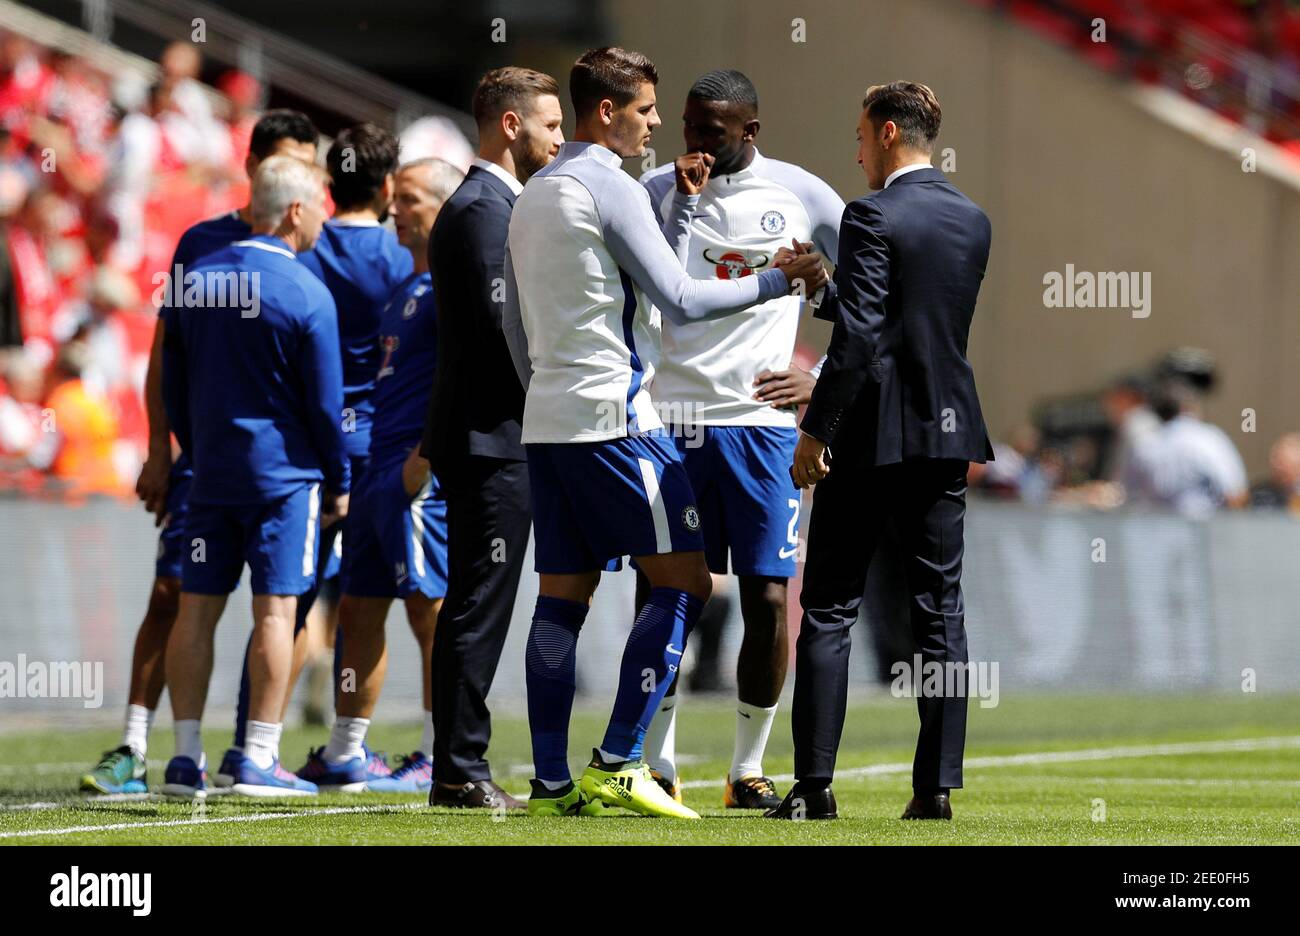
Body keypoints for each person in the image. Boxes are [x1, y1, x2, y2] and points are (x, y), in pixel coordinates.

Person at [502, 46, 828, 819]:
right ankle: (622, 760)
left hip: (549, 421)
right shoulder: (613, 185)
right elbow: (680, 298)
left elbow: (513, 322)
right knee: (682, 582)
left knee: (561, 597)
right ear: (608, 112)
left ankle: (552, 783)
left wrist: (546, 395)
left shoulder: (532, 192)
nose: (659, 127)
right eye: (649, 112)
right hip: (621, 422)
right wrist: (782, 279)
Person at [768, 82, 993, 822]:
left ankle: (813, 788)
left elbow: (865, 337)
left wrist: (816, 429)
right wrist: (824, 283)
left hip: (871, 436)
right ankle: (934, 791)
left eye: (862, 135)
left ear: (890, 132)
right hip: (944, 433)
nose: (857, 149)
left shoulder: (871, 213)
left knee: (830, 607)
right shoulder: (972, 219)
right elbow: (906, 320)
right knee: (940, 614)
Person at [80, 110, 318, 795]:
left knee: (288, 608)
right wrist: (160, 449)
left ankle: (259, 749)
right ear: (253, 168)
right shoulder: (201, 243)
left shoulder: (313, 241)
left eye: (307, 163)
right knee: (173, 592)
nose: (298, 176)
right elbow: (167, 350)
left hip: (292, 471)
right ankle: (135, 746)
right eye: (286, 161)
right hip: (205, 465)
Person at [637, 68, 844, 810]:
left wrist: (819, 382)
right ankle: (652, 761)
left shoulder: (805, 194)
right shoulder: (657, 191)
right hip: (671, 423)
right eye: (688, 128)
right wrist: (683, 205)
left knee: (764, 596)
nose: (693, 144)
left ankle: (746, 770)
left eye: (710, 133)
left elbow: (862, 302)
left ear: (749, 132)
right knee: (666, 593)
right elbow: (641, 290)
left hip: (759, 429)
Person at [210, 123, 412, 788]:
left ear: (329, 186)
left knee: (287, 603)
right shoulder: (405, 252)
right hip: (383, 449)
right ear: (388, 187)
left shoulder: (304, 253)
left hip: (306, 451)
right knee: (391, 603)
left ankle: (253, 740)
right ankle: (363, 746)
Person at [159, 156, 347, 798]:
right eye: (319, 204)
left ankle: (185, 758)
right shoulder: (306, 290)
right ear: (295, 210)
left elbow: (171, 385)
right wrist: (339, 475)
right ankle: (257, 757)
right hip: (284, 480)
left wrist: (195, 445)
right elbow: (325, 406)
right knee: (275, 610)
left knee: (196, 609)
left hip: (209, 473)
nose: (326, 217)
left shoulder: (195, 279)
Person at [418, 67, 563, 810]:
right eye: (550, 124)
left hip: (494, 435)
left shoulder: (495, 206)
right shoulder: (483, 210)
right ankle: (459, 770)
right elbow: (501, 333)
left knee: (478, 599)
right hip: (491, 438)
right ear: (512, 126)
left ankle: (458, 762)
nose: (560, 138)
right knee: (479, 601)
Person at [295, 158, 464, 793]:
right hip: (373, 478)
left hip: (410, 478)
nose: (395, 208)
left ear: (443, 209)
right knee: (360, 610)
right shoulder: (406, 286)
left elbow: (464, 382)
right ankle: (345, 752)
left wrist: (423, 462)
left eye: (411, 200)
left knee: (430, 611)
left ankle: (435, 750)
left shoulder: (454, 287)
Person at [1121, 376, 1248, 517]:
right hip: (1201, 531)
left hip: (1152, 531)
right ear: (1188, 407)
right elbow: (1235, 493)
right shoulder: (1208, 439)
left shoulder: (1143, 445)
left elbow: (1128, 494)